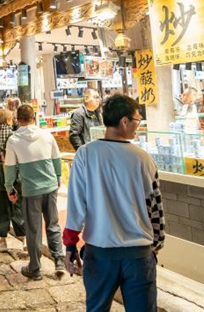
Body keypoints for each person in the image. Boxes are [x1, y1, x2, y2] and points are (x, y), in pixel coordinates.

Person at [64, 94, 165, 312]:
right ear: (124, 121)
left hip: (100, 254)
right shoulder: (143, 159)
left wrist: (70, 244)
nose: (138, 125)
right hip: (138, 256)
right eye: (137, 120)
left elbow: (75, 205)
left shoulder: (85, 155)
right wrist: (155, 247)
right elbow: (155, 208)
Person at [5, 104, 66, 280]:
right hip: (50, 186)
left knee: (33, 230)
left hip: (31, 190)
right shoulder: (47, 135)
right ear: (34, 117)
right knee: (53, 224)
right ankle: (59, 261)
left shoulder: (14, 140)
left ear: (18, 119)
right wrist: (58, 176)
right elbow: (56, 159)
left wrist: (9, 187)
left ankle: (35, 268)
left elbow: (10, 167)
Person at [0, 107, 25, 252]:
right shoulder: (15, 136)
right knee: (18, 206)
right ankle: (24, 240)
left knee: (0, 208)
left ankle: (2, 241)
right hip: (15, 176)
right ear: (9, 120)